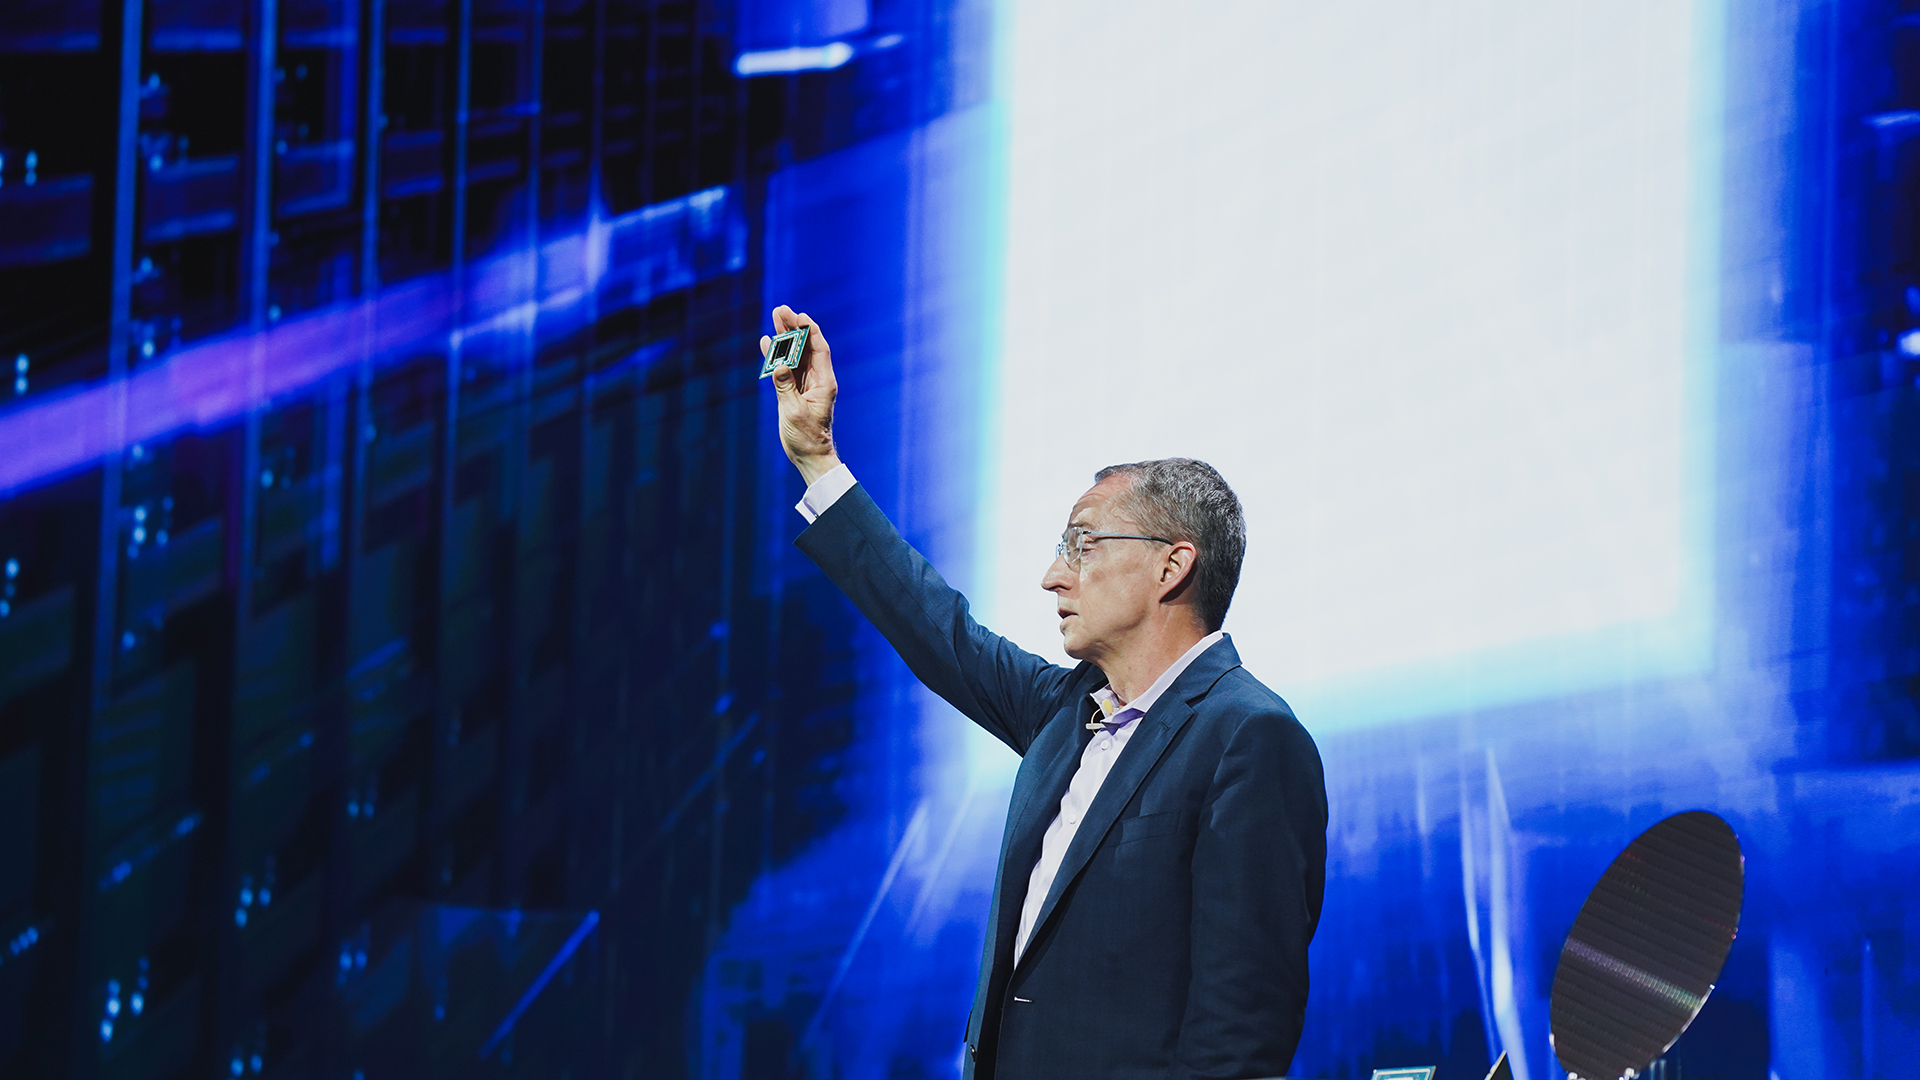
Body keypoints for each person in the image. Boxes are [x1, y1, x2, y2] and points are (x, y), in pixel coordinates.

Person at [762, 305, 1327, 1080]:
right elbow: (940, 633)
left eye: (1082, 544)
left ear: (1172, 566)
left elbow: (1241, 1032)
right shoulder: (1068, 715)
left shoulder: (1248, 737)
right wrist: (817, 458)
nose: (1053, 575)